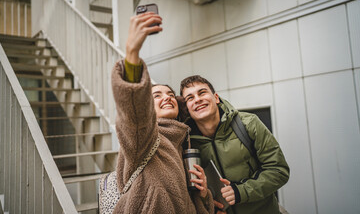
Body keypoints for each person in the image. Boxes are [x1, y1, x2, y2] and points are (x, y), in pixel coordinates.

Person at [111, 12, 214, 213]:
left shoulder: (182, 144)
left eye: (170, 94)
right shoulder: (143, 138)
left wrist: (203, 195)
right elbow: (134, 114)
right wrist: (132, 53)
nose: (167, 97)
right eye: (156, 95)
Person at [179, 75, 290, 214]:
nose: (197, 99)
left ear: (216, 98)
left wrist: (240, 192)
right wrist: (210, 208)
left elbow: (279, 171)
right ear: (187, 108)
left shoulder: (248, 123)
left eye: (202, 92)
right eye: (190, 98)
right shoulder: (187, 143)